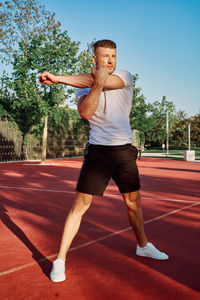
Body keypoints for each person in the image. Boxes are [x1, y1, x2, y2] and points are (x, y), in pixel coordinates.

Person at [39, 39, 169, 283]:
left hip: (123, 151)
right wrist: (94, 83)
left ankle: (143, 245)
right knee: (80, 206)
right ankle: (60, 260)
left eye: (113, 56)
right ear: (94, 60)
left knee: (134, 202)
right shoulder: (82, 89)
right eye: (105, 57)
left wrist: (57, 78)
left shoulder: (125, 76)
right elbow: (86, 112)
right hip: (98, 152)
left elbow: (103, 80)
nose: (110, 61)